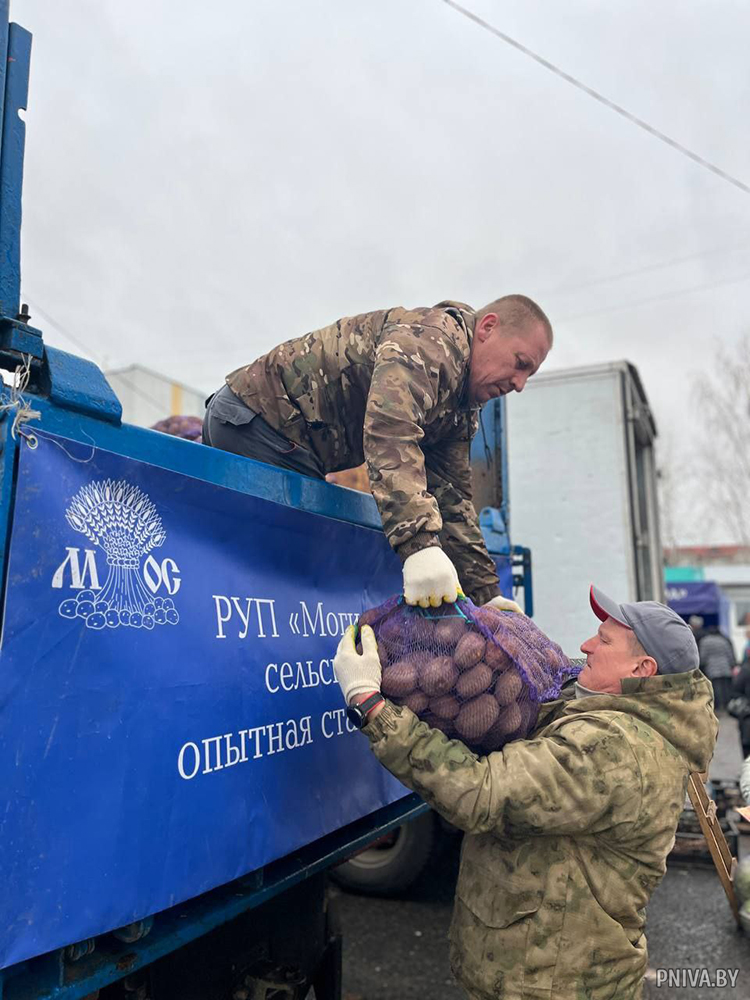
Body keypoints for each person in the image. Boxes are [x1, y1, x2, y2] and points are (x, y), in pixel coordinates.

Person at [333, 586, 717, 1000]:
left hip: (550, 982)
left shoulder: (614, 749)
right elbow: (563, 691)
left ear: (642, 669)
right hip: (550, 973)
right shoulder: (638, 712)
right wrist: (520, 641)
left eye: (604, 641)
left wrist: (371, 707)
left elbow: (481, 794)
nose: (587, 645)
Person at [204, 295, 551, 610]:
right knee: (281, 575)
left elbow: (452, 498)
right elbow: (390, 431)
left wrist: (487, 594)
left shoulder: (459, 406)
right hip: (255, 422)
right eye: (520, 363)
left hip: (290, 445)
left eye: (529, 376)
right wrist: (420, 547)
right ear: (487, 328)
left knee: (296, 571)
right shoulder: (430, 343)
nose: (519, 385)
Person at [697, 625, 736, 712]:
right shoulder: (723, 640)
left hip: (712, 668)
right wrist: (732, 664)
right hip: (725, 667)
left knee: (716, 688)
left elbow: (703, 656)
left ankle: (718, 706)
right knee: (726, 687)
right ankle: (727, 705)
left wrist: (702, 666)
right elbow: (729, 654)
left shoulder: (705, 641)